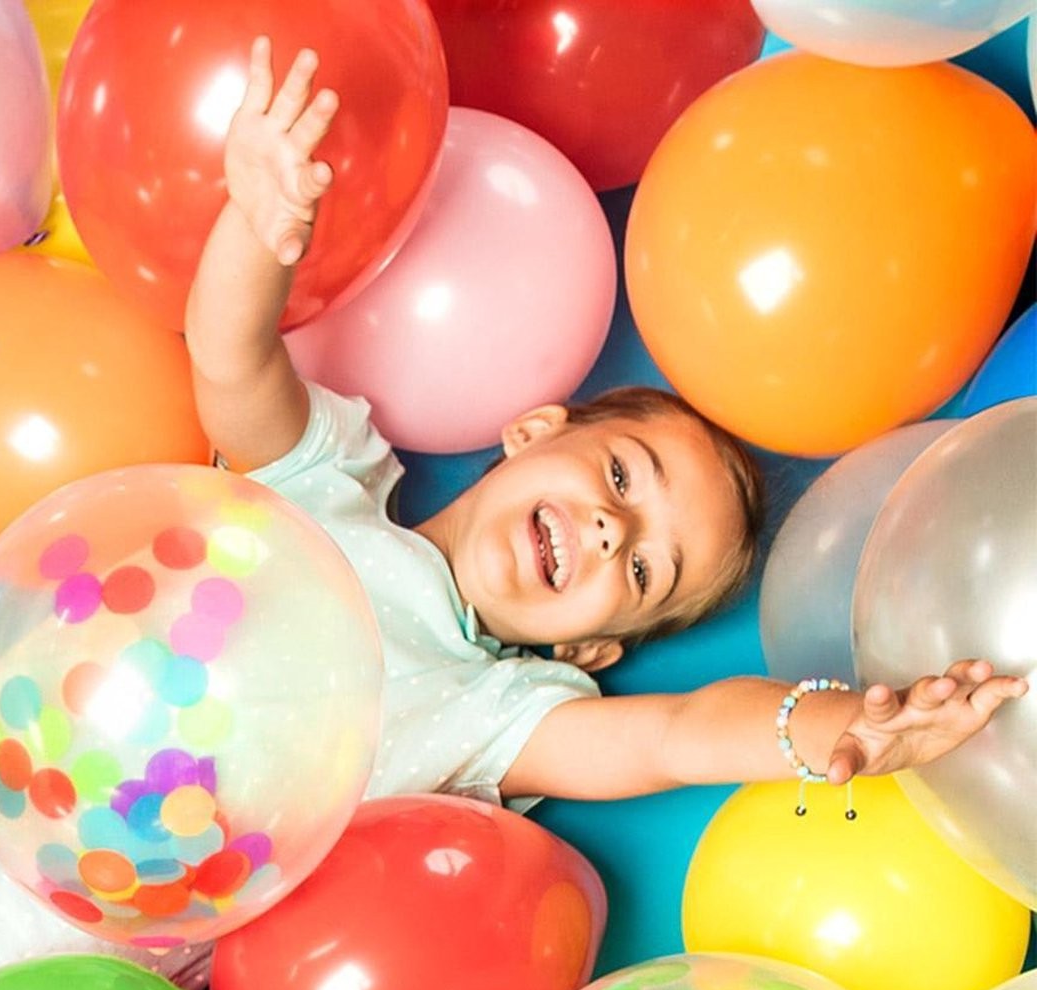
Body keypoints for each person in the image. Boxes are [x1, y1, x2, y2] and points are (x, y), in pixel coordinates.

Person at [185, 36, 1027, 809]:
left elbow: (677, 736)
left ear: (588, 651)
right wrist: (256, 223)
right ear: (533, 432)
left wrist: (849, 733)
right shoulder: (329, 482)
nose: (610, 530)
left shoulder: (494, 714)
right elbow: (233, 362)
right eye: (621, 475)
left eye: (644, 570)